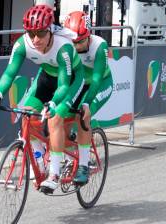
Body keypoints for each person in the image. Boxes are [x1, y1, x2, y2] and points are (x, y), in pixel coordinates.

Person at [0, 5, 86, 192]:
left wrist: (52, 103)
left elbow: (64, 85)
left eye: (41, 33)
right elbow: (9, 74)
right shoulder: (22, 44)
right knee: (27, 114)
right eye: (31, 33)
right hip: (46, 78)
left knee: (55, 117)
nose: (35, 39)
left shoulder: (63, 48)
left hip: (71, 80)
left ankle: (55, 174)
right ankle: (39, 157)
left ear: (50, 30)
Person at [64, 11, 113, 184]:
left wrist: (86, 104)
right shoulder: (66, 45)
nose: (76, 46)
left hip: (101, 84)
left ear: (89, 35)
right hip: (80, 83)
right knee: (64, 117)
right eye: (73, 42)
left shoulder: (100, 46)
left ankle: (84, 165)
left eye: (80, 41)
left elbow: (98, 79)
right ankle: (70, 158)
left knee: (82, 115)